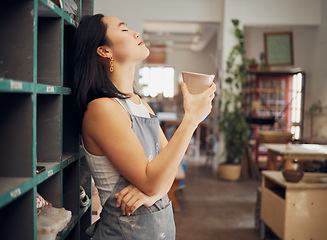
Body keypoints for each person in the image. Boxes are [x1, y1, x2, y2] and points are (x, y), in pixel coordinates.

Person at [72, 13, 216, 240]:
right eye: (123, 29)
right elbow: (151, 181)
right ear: (104, 51)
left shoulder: (141, 104)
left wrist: (151, 195)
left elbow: (170, 167)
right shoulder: (102, 109)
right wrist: (191, 119)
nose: (135, 33)